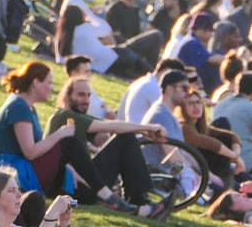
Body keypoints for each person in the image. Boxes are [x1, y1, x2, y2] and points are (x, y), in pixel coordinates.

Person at [0, 63, 131, 210]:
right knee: (69, 142)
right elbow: (30, 152)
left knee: (84, 190)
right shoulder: (19, 107)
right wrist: (60, 134)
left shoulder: (27, 107)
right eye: (49, 83)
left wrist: (67, 166)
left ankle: (109, 197)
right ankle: (106, 194)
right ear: (36, 82)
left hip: (25, 170)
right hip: (15, 173)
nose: (52, 88)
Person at [48, 78, 166, 219]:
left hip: (83, 181)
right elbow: (110, 126)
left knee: (124, 140)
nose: (85, 100)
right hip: (76, 186)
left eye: (88, 95)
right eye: (80, 95)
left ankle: (139, 200)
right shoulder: (65, 116)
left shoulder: (76, 118)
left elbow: (103, 133)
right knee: (126, 138)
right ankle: (139, 201)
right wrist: (148, 128)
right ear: (68, 97)